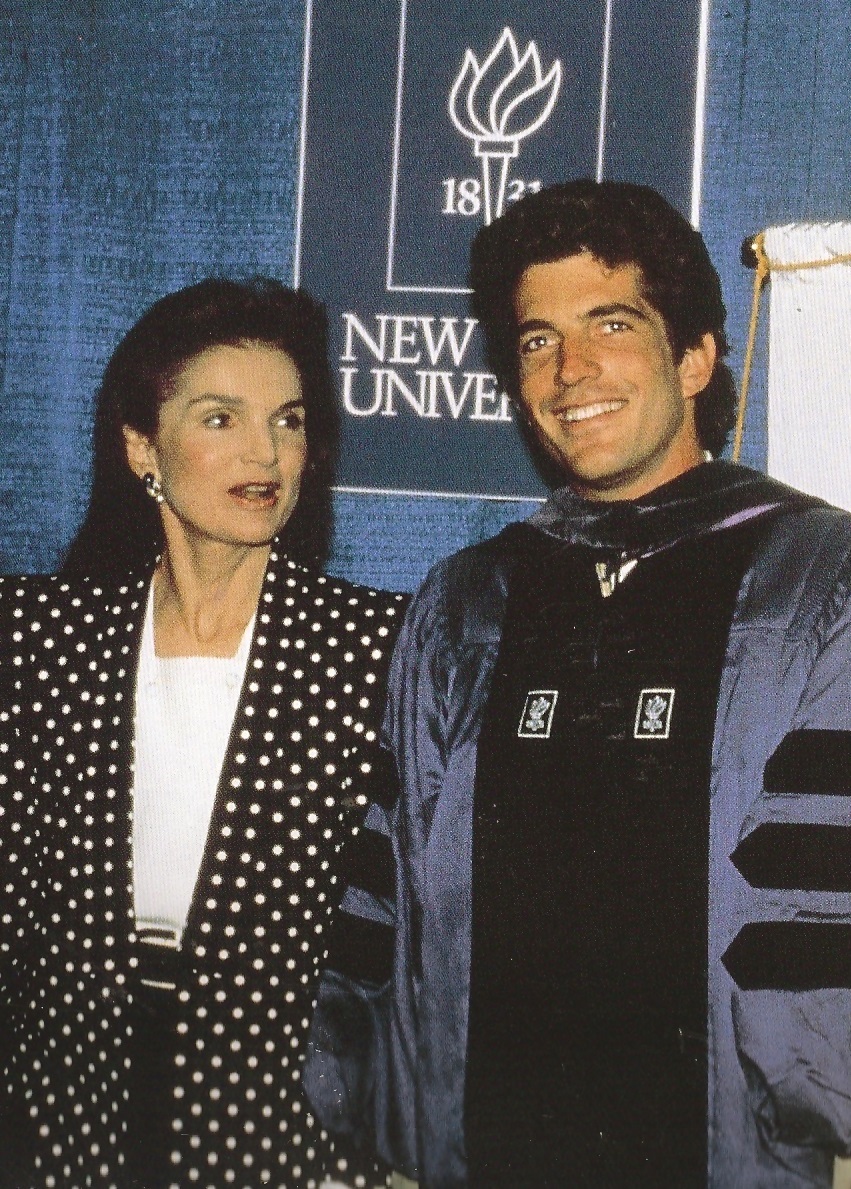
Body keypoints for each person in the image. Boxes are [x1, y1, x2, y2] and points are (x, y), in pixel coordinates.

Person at [305, 182, 851, 1187]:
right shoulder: (465, 602)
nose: (569, 371)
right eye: (535, 341)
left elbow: (817, 917)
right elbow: (393, 909)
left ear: (693, 358)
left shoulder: (815, 582)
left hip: (719, 1152)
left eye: (610, 324)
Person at [0, 278, 406, 1188]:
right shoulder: (36, 635)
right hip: (63, 1100)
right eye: (220, 418)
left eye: (289, 420)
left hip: (287, 1117)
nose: (265, 451)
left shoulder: (381, 649)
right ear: (143, 447)